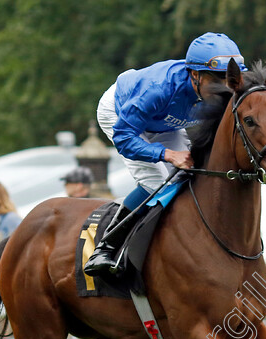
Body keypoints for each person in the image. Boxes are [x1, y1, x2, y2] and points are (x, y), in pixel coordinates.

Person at [84, 32, 248, 277]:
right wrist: (167, 154)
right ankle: (106, 246)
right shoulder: (158, 89)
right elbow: (124, 138)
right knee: (153, 182)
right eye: (215, 79)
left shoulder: (225, 92)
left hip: (162, 122)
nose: (224, 88)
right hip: (121, 116)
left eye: (228, 79)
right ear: (195, 74)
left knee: (187, 175)